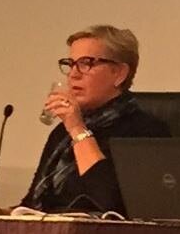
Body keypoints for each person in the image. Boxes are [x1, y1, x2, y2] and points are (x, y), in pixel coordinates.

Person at [17, 25, 169, 215]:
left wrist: (78, 130)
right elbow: (33, 203)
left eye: (86, 63)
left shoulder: (146, 132)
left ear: (119, 73)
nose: (73, 74)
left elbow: (110, 204)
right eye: (71, 64)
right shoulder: (61, 133)